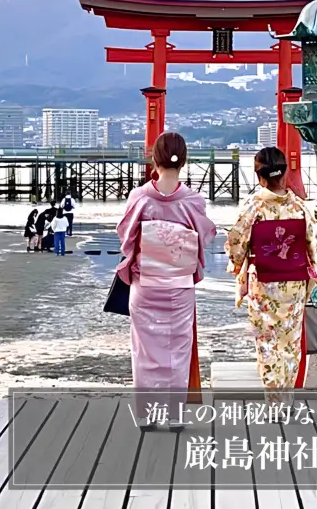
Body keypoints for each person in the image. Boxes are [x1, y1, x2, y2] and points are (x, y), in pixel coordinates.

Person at [116, 132, 216, 431]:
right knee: (178, 349)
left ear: (153, 158)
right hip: (178, 284)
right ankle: (174, 415)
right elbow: (205, 238)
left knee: (144, 350)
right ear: (183, 160)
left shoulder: (140, 198)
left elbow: (127, 238)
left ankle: (146, 414)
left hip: (145, 283)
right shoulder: (192, 201)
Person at [225, 146, 317, 411]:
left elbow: (236, 240)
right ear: (284, 173)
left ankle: (274, 404)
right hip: (293, 284)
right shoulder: (299, 207)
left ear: (260, 176)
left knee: (268, 344)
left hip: (264, 283)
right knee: (290, 344)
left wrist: (237, 263)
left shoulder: (254, 206)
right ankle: (287, 401)